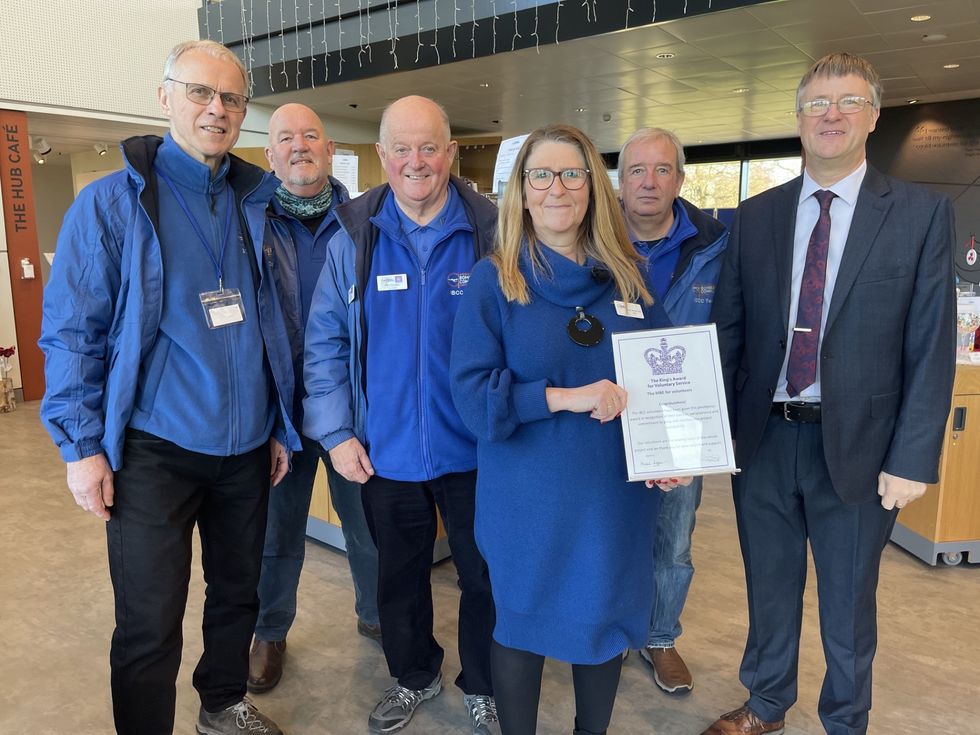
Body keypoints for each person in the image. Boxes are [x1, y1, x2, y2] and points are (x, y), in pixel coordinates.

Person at [38, 40, 300, 735]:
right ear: (165, 98)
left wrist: (278, 423)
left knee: (236, 595)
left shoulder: (257, 202)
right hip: (155, 447)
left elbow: (273, 321)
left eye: (232, 98)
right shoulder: (109, 205)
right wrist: (81, 446)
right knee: (149, 618)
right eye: (200, 93)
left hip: (245, 447)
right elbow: (72, 333)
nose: (216, 109)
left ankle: (221, 702)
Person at [706, 52, 955, 735]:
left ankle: (845, 720)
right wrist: (712, 427)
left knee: (848, 606)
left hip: (859, 448)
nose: (832, 115)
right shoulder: (754, 217)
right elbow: (729, 332)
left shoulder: (919, 214)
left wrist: (913, 456)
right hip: (764, 439)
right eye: (817, 103)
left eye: (848, 102)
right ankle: (765, 703)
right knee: (768, 587)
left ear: (874, 115)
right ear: (799, 118)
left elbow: (930, 343)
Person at [450, 124, 677, 735]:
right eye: (541, 175)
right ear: (521, 193)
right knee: (521, 628)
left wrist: (666, 449)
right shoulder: (495, 281)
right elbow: (473, 400)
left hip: (611, 498)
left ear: (593, 189)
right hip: (527, 499)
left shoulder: (629, 282)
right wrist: (564, 398)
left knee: (601, 626)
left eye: (572, 174)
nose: (558, 188)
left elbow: (662, 379)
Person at [302, 95, 499, 735]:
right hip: (384, 450)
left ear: (451, 153)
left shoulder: (493, 236)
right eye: (402, 149)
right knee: (399, 578)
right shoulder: (351, 239)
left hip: (478, 449)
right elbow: (324, 342)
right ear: (382, 156)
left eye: (430, 147)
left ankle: (485, 683)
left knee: (484, 577)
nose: (417, 162)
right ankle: (413, 675)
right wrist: (335, 433)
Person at [247, 103, 381, 695]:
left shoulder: (366, 223)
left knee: (368, 523)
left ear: (330, 151)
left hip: (350, 409)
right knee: (278, 532)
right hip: (278, 411)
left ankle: (378, 613)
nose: (298, 146)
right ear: (269, 156)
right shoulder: (249, 221)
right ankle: (269, 631)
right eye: (285, 139)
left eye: (310, 136)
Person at [618, 127, 728, 694]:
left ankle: (660, 637)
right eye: (637, 169)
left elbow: (733, 333)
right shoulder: (589, 236)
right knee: (606, 526)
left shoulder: (716, 245)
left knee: (673, 536)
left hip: (682, 418)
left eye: (662, 170)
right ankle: (611, 628)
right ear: (620, 179)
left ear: (681, 179)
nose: (648, 181)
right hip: (605, 413)